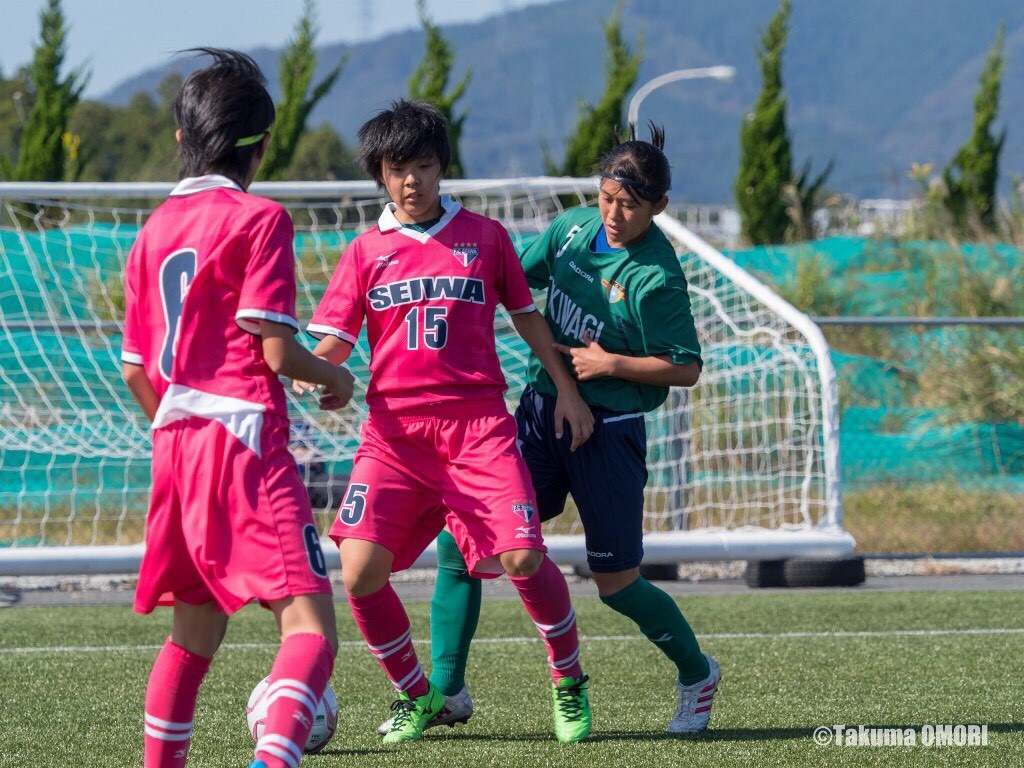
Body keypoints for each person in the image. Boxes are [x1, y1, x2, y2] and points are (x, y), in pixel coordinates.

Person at [382, 123, 720, 737]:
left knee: (615, 583)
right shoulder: (569, 232)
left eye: (631, 206)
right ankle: (447, 691)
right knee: (464, 545)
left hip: (608, 431)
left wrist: (608, 365)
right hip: (542, 413)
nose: (614, 215)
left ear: (659, 208)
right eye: (608, 198)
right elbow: (511, 279)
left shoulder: (657, 278)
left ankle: (697, 673)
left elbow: (687, 368)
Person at [296, 99, 596, 744]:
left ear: (442, 167)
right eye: (399, 168)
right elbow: (334, 342)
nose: (413, 181)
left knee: (521, 558)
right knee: (357, 571)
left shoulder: (486, 238)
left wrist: (567, 389)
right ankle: (418, 695)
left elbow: (525, 315)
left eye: (424, 165)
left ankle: (569, 681)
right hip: (396, 436)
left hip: (478, 429)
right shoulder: (364, 252)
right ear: (380, 174)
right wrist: (316, 373)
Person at [120, 48, 354, 768]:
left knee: (192, 638)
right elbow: (278, 353)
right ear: (263, 144)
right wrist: (335, 380)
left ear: (180, 141)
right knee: (311, 631)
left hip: (175, 444)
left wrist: (181, 421)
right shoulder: (259, 219)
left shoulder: (149, 234)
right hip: (244, 441)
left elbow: (136, 371)